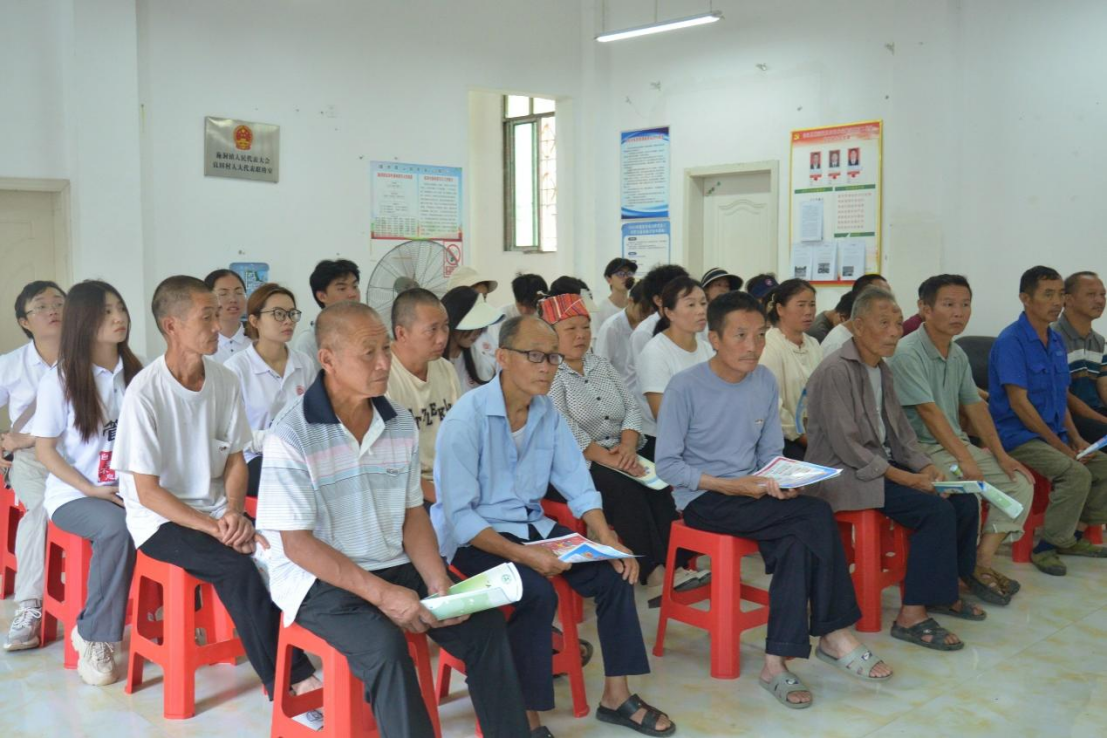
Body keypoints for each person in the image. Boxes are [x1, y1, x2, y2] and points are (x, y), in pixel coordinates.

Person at [255, 302, 528, 738]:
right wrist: (383, 596)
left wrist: (436, 579)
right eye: (369, 353)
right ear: (328, 359)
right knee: (385, 648)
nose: (384, 362)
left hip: (390, 560)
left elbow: (412, 512)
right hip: (316, 579)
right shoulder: (292, 433)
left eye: (385, 348)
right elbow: (298, 545)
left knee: (484, 625)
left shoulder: (398, 421)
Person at [432, 315, 675, 738]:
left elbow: (577, 483)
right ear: (502, 357)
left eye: (553, 358)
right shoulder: (466, 419)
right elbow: (461, 517)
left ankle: (616, 697)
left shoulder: (546, 412)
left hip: (532, 526)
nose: (547, 367)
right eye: (535, 356)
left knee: (616, 574)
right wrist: (527, 557)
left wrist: (606, 537)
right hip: (477, 540)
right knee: (535, 591)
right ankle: (526, 717)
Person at [656, 291, 892, 710]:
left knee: (796, 540)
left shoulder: (763, 380)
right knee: (814, 515)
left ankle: (774, 662)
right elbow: (668, 467)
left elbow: (769, 452)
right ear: (714, 338)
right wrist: (733, 485)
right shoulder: (684, 387)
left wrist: (783, 479)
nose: (753, 346)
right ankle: (834, 633)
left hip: (755, 492)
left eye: (761, 335)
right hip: (705, 499)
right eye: (740, 335)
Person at [110, 276, 322, 719]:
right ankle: (291, 683)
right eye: (206, 317)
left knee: (289, 548)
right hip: (160, 521)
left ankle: (319, 650)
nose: (218, 324)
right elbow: (147, 492)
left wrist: (233, 512)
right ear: (172, 326)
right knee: (236, 567)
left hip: (216, 510)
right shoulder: (145, 393)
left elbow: (236, 459)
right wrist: (216, 527)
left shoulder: (223, 379)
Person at [806, 287, 984, 652]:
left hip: (880, 464)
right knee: (934, 510)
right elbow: (847, 447)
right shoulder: (836, 371)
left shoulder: (882, 369)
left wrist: (925, 465)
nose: (893, 332)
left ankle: (943, 592)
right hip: (844, 473)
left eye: (898, 323)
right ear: (858, 326)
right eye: (883, 323)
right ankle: (911, 617)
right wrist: (905, 477)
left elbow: (901, 433)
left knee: (963, 500)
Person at [888, 275, 1034, 604]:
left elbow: (975, 406)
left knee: (1019, 482)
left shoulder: (957, 354)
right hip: (922, 451)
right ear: (925, 309)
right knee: (970, 491)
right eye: (949, 304)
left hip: (955, 445)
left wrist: (1000, 455)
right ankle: (962, 569)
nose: (959, 312)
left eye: (965, 304)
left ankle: (980, 564)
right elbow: (929, 412)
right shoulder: (907, 353)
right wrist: (966, 460)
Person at [540, 293, 693, 591]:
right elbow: (564, 427)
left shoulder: (601, 365)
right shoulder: (549, 374)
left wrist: (627, 446)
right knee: (624, 490)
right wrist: (613, 460)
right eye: (570, 329)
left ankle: (678, 563)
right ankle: (654, 571)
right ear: (550, 334)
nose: (581, 335)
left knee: (658, 484)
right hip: (577, 462)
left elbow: (632, 407)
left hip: (620, 450)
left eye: (585, 327)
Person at [30, 280, 141, 684]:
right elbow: (45, 450)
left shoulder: (139, 372)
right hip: (75, 494)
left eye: (121, 308)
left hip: (130, 490)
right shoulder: (60, 380)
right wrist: (90, 489)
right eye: (106, 311)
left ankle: (176, 616)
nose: (118, 318)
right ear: (84, 320)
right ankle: (96, 635)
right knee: (117, 528)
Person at [988, 266, 1107, 576]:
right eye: (1048, 295)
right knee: (1075, 472)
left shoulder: (1054, 341)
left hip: (1052, 434)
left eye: (1059, 294)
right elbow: (1019, 403)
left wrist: (1075, 438)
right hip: (1017, 437)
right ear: (1025, 299)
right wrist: (1060, 446)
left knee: (1102, 466)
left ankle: (1073, 535)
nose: (1056, 302)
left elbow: (1059, 397)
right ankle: (1046, 547)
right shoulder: (1011, 341)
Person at [1, 280, 66, 651]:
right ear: (25, 322)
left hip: (79, 457)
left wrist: (25, 438)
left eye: (59, 303)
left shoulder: (89, 356)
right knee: (41, 509)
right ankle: (29, 606)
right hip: (32, 460)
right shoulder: (10, 365)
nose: (53, 310)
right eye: (41, 306)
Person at [224, 283, 315, 497]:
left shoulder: (304, 363)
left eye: (292, 314)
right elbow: (231, 434)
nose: (288, 321)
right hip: (253, 459)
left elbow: (313, 417)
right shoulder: (236, 368)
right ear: (255, 321)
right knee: (291, 484)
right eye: (278, 314)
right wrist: (277, 441)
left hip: (300, 455)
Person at [385, 288, 460, 505]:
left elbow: (460, 437)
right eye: (432, 330)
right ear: (402, 333)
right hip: (408, 489)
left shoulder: (445, 369)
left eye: (445, 326)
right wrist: (443, 498)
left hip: (450, 480)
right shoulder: (384, 377)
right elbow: (391, 465)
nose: (442, 338)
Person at [636, 278, 712, 460]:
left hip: (705, 437)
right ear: (669, 312)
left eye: (703, 303)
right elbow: (664, 417)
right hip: (663, 443)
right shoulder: (655, 352)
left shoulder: (706, 348)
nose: (701, 310)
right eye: (691, 305)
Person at [759, 279, 822, 460]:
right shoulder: (769, 346)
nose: (808, 311)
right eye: (801, 305)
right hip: (784, 438)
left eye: (812, 305)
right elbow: (772, 405)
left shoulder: (813, 344)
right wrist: (802, 436)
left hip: (815, 432)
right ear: (780, 309)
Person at [1053, 271, 1107, 443]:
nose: (1100, 300)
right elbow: (1065, 398)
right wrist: (1104, 420)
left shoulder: (1099, 341)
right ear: (1068, 299)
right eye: (1091, 294)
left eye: (1103, 294)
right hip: (1068, 417)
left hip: (1095, 412)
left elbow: (1104, 386)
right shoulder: (1052, 338)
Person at [292, 259, 361, 369]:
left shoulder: (366, 331)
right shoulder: (308, 342)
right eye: (342, 288)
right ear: (322, 296)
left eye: (355, 286)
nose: (353, 294)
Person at [442, 286, 504, 395]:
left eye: (480, 326)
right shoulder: (432, 360)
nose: (477, 333)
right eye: (473, 325)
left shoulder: (474, 355)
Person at [595, 281, 650, 395]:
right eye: (642, 311)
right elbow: (600, 368)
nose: (645, 317)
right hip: (618, 394)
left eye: (649, 313)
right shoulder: (612, 327)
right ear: (630, 301)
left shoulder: (648, 326)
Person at [820, 275, 891, 359]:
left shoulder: (873, 338)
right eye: (881, 296)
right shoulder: (837, 344)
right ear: (861, 299)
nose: (889, 302)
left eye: (889, 297)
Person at [487, 273, 547, 347]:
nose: (524, 310)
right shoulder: (500, 316)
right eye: (521, 304)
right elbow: (497, 347)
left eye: (530, 306)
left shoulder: (545, 316)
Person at [204, 269, 250, 364]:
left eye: (239, 293)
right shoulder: (200, 345)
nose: (233, 299)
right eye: (223, 294)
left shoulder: (259, 342)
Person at [594, 258, 638, 329]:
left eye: (629, 273)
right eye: (620, 274)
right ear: (609, 279)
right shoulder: (600, 310)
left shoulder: (635, 306)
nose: (626, 277)